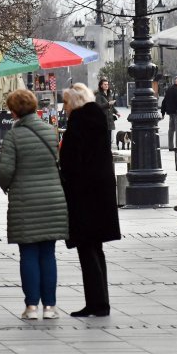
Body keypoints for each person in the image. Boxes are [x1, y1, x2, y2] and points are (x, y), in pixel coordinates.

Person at [0, 89, 68, 320]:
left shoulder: (13, 136)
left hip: (25, 202)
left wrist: (6, 185)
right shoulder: (50, 132)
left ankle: (31, 307)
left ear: (14, 110)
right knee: (48, 254)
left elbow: (5, 171)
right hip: (52, 200)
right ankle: (50, 307)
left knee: (28, 254)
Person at [60, 83, 120, 317]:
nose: (64, 107)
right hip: (100, 194)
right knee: (96, 250)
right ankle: (99, 301)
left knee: (87, 250)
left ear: (74, 103)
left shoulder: (78, 124)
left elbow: (71, 162)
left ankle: (97, 303)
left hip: (84, 194)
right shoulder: (98, 121)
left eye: (65, 102)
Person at [160, 76, 177, 151]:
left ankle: (171, 147)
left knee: (171, 130)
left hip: (170, 113)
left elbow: (164, 102)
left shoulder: (169, 90)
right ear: (176, 82)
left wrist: (162, 113)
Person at [95, 78, 119, 147]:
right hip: (103, 120)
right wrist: (108, 104)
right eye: (105, 84)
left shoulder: (109, 94)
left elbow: (111, 106)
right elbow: (98, 106)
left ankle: (107, 153)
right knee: (104, 139)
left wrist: (116, 112)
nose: (106, 86)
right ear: (101, 86)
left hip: (110, 120)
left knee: (110, 139)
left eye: (107, 84)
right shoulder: (98, 95)